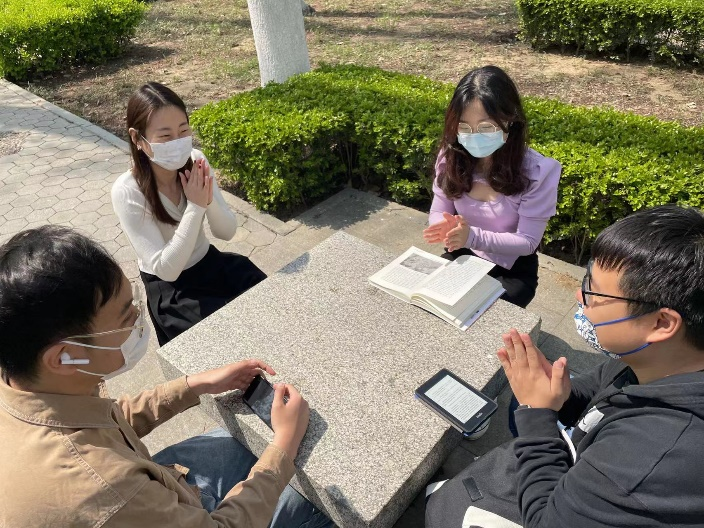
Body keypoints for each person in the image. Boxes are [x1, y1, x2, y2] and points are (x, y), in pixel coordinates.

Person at [0, 225, 333, 528]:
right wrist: (285, 444)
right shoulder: (106, 489)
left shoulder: (26, 384)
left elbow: (105, 420)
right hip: (132, 502)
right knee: (320, 503)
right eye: (126, 317)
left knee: (241, 440)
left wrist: (194, 385)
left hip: (152, 492)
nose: (138, 319)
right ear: (64, 357)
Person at [426, 205, 704, 527]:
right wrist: (549, 391)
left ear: (661, 323)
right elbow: (597, 391)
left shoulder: (652, 456)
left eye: (594, 292)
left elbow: (547, 522)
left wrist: (537, 415)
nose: (579, 296)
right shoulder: (655, 361)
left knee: (444, 510)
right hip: (584, 461)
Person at [112, 82, 266, 346]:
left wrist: (207, 199)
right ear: (138, 139)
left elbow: (226, 232)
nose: (178, 143)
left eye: (183, 131)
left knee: (263, 298)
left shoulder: (196, 160)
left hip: (209, 264)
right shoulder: (127, 191)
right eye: (165, 136)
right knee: (223, 341)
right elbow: (166, 269)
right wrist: (195, 207)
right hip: (172, 289)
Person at [423, 65, 561, 308]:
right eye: (464, 127)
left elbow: (528, 241)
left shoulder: (537, 172)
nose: (474, 136)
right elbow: (438, 210)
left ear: (511, 121)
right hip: (462, 254)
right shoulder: (451, 157)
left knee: (484, 312)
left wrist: (472, 237)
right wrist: (442, 225)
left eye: (486, 127)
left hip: (512, 268)